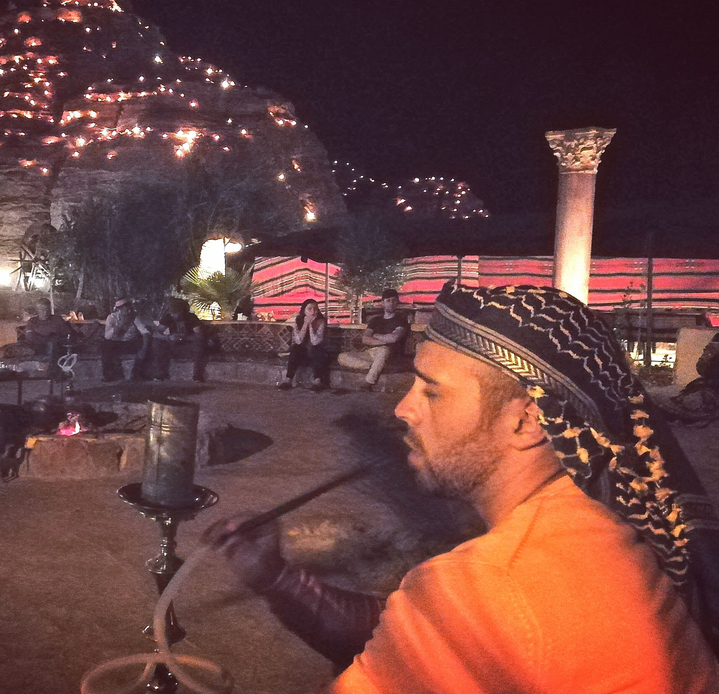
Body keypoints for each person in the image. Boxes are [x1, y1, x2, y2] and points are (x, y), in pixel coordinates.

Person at [210, 281, 719, 692]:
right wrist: (278, 579)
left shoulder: (495, 579)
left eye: (432, 392)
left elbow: (465, 612)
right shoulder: (587, 519)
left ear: (527, 423)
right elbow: (409, 634)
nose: (403, 409)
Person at [337, 289, 411, 391]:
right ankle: (374, 366)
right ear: (383, 303)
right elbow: (365, 339)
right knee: (342, 357)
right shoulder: (375, 320)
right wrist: (384, 339)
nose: (391, 303)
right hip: (371, 352)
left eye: (394, 300)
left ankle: (368, 382)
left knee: (383, 350)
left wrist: (375, 336)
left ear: (397, 302)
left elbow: (394, 338)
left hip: (389, 354)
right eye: (388, 301)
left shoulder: (401, 320)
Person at [278, 299, 330, 392]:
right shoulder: (298, 321)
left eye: (315, 309)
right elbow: (298, 340)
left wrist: (310, 326)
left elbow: (315, 341)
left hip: (317, 353)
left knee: (316, 349)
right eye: (309, 309)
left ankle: (317, 381)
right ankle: (288, 379)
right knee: (295, 349)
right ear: (304, 311)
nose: (313, 311)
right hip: (304, 353)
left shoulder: (321, 321)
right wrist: (305, 324)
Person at [151, 298, 208, 382]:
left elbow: (200, 335)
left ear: (182, 311)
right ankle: (161, 374)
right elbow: (156, 334)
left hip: (188, 346)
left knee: (199, 345)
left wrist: (184, 338)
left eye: (175, 312)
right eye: (172, 312)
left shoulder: (191, 318)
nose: (173, 315)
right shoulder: (169, 318)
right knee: (157, 343)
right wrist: (169, 337)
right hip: (174, 346)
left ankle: (197, 375)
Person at [101, 298, 152, 382]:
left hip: (130, 343)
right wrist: (120, 325)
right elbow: (107, 336)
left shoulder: (135, 318)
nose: (128, 310)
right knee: (106, 345)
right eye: (125, 308)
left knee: (145, 345)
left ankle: (139, 374)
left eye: (129, 307)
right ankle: (109, 375)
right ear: (119, 309)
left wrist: (144, 348)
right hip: (115, 343)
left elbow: (145, 332)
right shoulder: (112, 317)